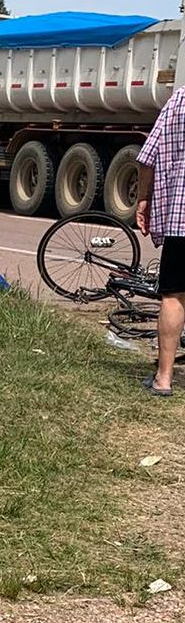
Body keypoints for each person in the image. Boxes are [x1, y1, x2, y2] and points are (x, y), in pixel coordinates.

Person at [135, 85, 185, 396]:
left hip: (183, 219)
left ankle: (163, 379)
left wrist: (143, 198)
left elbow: (147, 156)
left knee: (174, 295)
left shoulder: (180, 99)